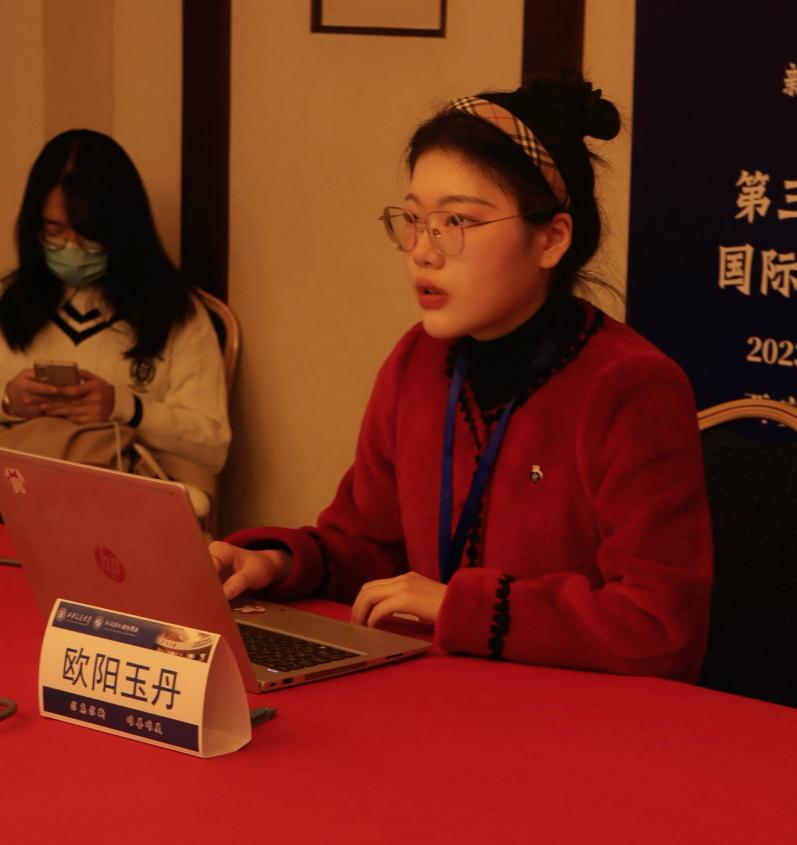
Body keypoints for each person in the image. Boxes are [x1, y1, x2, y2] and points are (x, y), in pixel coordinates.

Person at [212, 75, 712, 678]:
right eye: (414, 220)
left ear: (551, 239)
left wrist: (464, 606)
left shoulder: (629, 385)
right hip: (438, 689)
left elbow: (660, 626)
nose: (423, 251)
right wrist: (277, 563)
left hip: (572, 712)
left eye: (456, 222)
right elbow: (370, 547)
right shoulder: (417, 361)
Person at [0, 129, 229, 521]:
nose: (70, 247)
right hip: (9, 490)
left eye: (87, 236)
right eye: (53, 231)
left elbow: (212, 445)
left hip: (122, 491)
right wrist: (5, 403)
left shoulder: (175, 312)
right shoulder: (2, 303)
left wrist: (123, 407)